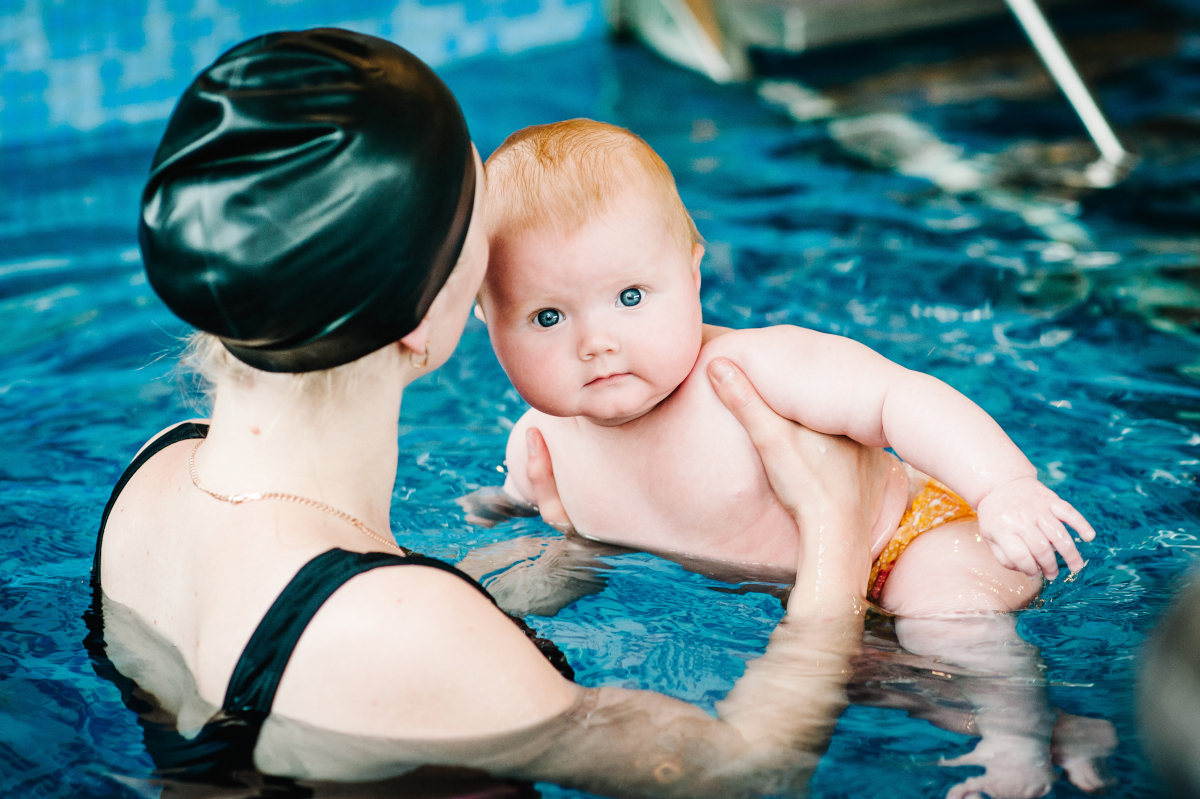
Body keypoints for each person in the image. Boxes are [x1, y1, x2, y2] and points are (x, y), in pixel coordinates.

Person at [88, 28, 877, 797]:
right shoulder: (399, 626)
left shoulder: (154, 474)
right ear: (424, 321)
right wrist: (834, 530)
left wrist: (577, 554)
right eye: (478, 228)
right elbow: (745, 772)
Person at [465, 118, 1107, 798]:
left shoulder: (751, 365)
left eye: (629, 297)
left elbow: (896, 396)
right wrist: (505, 503)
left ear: (691, 271)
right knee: (876, 678)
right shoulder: (541, 438)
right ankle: (1069, 727)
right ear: (486, 320)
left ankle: (1017, 739)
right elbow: (522, 495)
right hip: (812, 600)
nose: (596, 341)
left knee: (943, 620)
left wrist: (1003, 485)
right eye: (546, 317)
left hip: (913, 539)